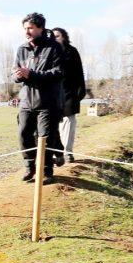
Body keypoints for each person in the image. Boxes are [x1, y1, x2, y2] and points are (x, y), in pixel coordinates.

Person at [14, 13, 63, 184]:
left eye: (30, 28)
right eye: (25, 28)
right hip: (26, 101)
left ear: (40, 28)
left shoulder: (54, 48)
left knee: (45, 137)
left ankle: (47, 171)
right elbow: (17, 73)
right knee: (23, 134)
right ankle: (30, 167)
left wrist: (32, 74)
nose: (27, 31)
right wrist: (18, 75)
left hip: (47, 102)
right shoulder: (22, 49)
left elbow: (58, 73)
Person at [52, 27, 86, 164]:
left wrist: (80, 91)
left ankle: (68, 152)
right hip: (54, 93)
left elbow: (79, 72)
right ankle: (57, 153)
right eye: (53, 36)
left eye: (58, 36)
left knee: (69, 122)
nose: (55, 38)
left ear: (64, 37)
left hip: (70, 93)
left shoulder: (72, 51)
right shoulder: (49, 52)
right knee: (55, 125)